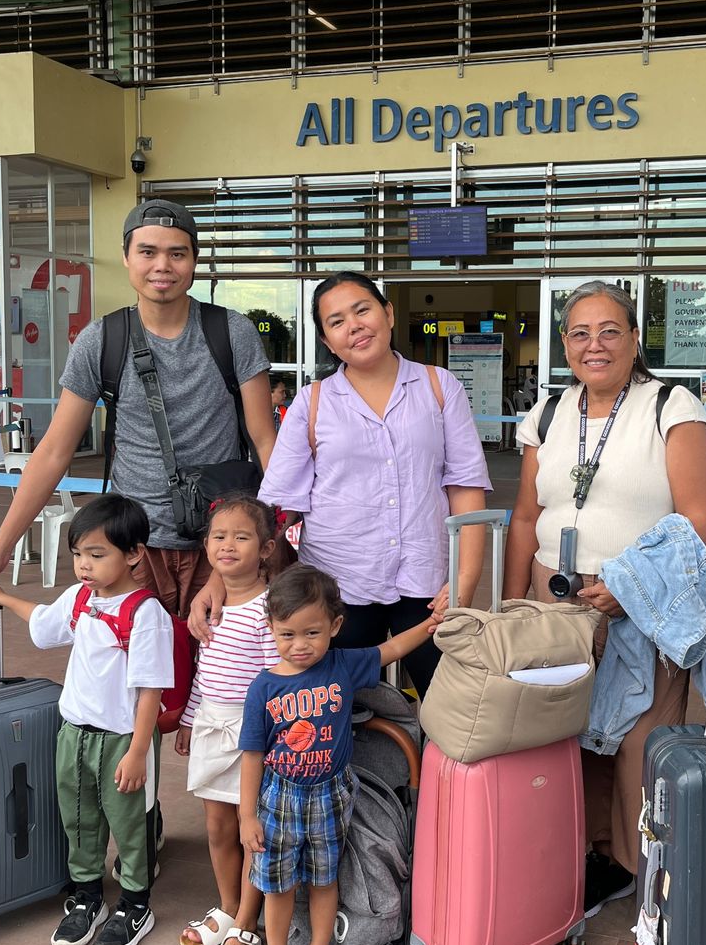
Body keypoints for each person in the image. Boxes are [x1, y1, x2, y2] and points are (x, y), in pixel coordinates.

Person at [502, 280, 706, 917]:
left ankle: (638, 864)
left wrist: (630, 586)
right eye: (579, 333)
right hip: (554, 596)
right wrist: (513, 606)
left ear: (633, 339)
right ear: (564, 344)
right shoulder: (547, 414)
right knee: (564, 729)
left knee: (637, 738)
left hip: (637, 598)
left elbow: (697, 517)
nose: (594, 345)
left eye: (609, 331)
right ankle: (585, 854)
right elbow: (523, 517)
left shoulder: (670, 406)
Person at [0, 199, 277, 619]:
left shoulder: (232, 331)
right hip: (132, 547)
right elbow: (55, 450)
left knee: (222, 677)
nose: (162, 265)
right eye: (147, 252)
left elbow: (265, 439)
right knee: (134, 677)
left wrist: (270, 535)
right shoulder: (102, 340)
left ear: (194, 261)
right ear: (127, 258)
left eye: (177, 253)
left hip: (221, 546)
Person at [195, 271, 491, 695]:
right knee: (334, 706)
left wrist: (465, 578)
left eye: (362, 309)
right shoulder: (312, 403)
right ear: (328, 341)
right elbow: (275, 510)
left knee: (444, 703)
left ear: (387, 314)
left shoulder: (439, 387)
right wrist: (219, 577)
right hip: (336, 586)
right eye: (336, 321)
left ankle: (428, 764)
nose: (354, 326)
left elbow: (464, 488)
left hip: (427, 580)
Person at [0, 495, 173, 945]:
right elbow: (44, 624)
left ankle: (136, 904)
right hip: (74, 734)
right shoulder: (81, 598)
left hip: (123, 739)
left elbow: (152, 690)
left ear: (134, 553)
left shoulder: (145, 614)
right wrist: (0, 595)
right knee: (78, 819)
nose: (84, 565)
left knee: (129, 823)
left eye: (97, 555)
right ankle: (86, 897)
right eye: (78, 554)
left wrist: (139, 751)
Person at [236, 564, 435, 945]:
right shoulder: (263, 688)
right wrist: (247, 814)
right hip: (279, 797)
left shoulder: (343, 664)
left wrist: (431, 622)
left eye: (312, 633)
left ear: (335, 627)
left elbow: (393, 647)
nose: (300, 645)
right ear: (270, 628)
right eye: (287, 634)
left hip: (332, 793)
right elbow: (251, 756)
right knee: (278, 884)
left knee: (326, 877)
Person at [175, 495, 288, 945]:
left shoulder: (269, 609)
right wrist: (188, 717)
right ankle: (226, 907)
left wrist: (271, 737)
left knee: (250, 832)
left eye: (241, 537)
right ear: (206, 546)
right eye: (219, 537)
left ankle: (247, 921)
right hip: (211, 726)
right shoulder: (209, 606)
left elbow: (274, 678)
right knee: (218, 828)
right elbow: (206, 671)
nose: (228, 546)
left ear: (265, 549)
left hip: (252, 737)